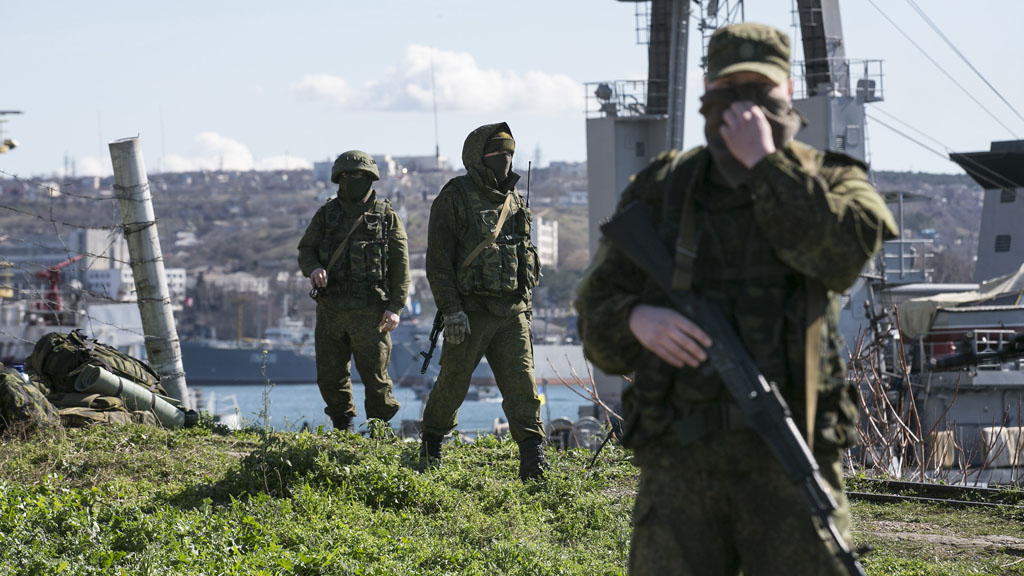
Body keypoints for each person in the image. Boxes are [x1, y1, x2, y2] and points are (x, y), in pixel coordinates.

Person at [575, 23, 898, 576]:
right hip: (681, 470)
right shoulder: (665, 189)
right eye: (731, 93)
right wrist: (637, 319)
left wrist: (766, 165)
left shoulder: (835, 182)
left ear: (788, 92)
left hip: (789, 460)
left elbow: (841, 256)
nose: (745, 110)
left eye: (761, 95)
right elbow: (596, 318)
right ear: (705, 90)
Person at [419, 122, 548, 481]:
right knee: (453, 383)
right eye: (496, 153)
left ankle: (533, 459)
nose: (504, 160)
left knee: (523, 386)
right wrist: (451, 310)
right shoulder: (454, 198)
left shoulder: (515, 200)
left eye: (509, 153)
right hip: (470, 312)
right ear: (477, 157)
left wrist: (527, 308)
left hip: (512, 313)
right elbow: (438, 263)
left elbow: (524, 256)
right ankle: (431, 445)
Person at [297, 150, 410, 432]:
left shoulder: (387, 217)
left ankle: (379, 431)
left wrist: (395, 307)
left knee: (376, 376)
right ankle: (343, 426)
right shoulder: (326, 215)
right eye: (346, 175)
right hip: (331, 309)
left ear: (370, 178)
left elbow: (401, 267)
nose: (352, 180)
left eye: (358, 175)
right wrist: (313, 269)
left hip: (371, 312)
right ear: (338, 178)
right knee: (330, 374)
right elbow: (306, 250)